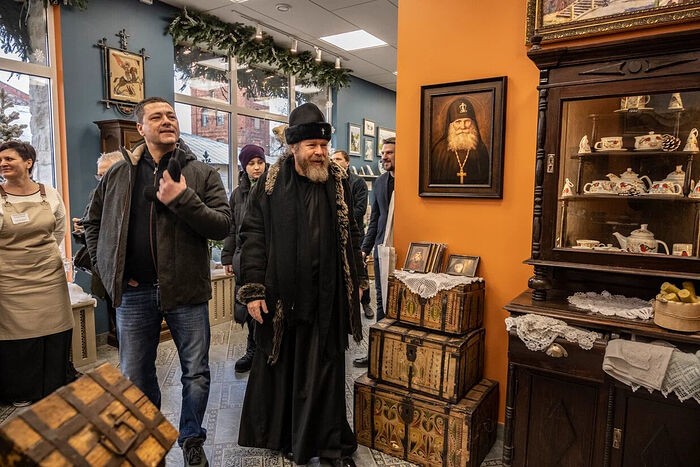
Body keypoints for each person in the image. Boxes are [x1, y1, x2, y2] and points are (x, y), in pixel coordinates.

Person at [84, 97, 231, 467]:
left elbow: (223, 225)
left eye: (171, 115)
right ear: (140, 128)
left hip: (187, 291)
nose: (167, 120)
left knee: (196, 373)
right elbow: (93, 223)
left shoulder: (201, 173)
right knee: (135, 375)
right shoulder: (119, 173)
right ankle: (149, 443)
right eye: (156, 116)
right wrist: (107, 271)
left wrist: (183, 199)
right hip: (133, 294)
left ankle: (192, 439)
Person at [236, 102, 366, 467]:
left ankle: (329, 445)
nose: (320, 152)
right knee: (287, 367)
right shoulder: (270, 184)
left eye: (323, 145)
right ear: (294, 146)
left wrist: (358, 277)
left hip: (329, 294)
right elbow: (253, 235)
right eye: (312, 145)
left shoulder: (337, 182)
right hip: (284, 296)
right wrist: (253, 290)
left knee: (326, 368)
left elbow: (352, 234)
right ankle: (290, 437)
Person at [0, 140, 74, 407]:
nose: (3, 164)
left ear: (28, 162)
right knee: (16, 334)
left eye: (9, 159)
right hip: (10, 279)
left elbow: (59, 230)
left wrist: (42, 255)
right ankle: (22, 390)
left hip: (48, 276)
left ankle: (53, 385)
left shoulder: (50, 194)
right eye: (1, 160)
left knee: (55, 329)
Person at [221, 144, 267, 373]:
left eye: (260, 162)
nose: (256, 167)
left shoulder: (273, 188)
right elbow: (231, 226)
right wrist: (227, 256)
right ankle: (252, 349)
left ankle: (265, 351)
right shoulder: (238, 194)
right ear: (244, 167)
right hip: (242, 257)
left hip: (266, 258)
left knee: (266, 307)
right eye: (251, 163)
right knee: (249, 307)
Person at [72, 151, 124, 345]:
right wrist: (81, 230)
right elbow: (91, 230)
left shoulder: (132, 195)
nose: (102, 180)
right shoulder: (96, 195)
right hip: (104, 270)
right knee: (115, 319)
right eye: (99, 175)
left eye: (106, 174)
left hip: (128, 271)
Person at [353, 137, 395, 368]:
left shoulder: (411, 181)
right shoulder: (379, 183)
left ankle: (394, 356)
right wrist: (364, 250)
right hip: (381, 249)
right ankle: (376, 355)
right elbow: (375, 219)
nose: (384, 157)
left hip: (406, 251)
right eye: (383, 153)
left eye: (389, 152)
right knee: (381, 301)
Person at [330, 149, 373, 318]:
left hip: (355, 234)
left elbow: (360, 209)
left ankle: (366, 303)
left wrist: (341, 219)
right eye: (332, 159)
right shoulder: (331, 181)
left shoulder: (358, 182)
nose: (334, 162)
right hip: (336, 234)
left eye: (338, 159)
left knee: (359, 267)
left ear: (347, 162)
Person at [430, 98, 490, 185]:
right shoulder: (439, 150)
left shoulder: (481, 149)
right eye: (458, 122)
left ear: (473, 123)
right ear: (450, 125)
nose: (463, 126)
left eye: (467, 121)